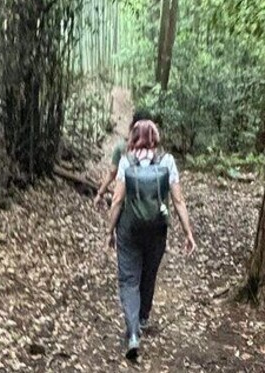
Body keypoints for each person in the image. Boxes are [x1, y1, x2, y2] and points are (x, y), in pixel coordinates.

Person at [106, 120, 196, 360]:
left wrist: (109, 231)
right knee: (149, 274)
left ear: (133, 137)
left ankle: (133, 332)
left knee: (128, 280)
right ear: (155, 138)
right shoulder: (167, 162)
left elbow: (116, 201)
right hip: (157, 230)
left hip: (129, 229)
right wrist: (188, 232)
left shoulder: (126, 161)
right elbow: (178, 201)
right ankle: (143, 317)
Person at [93, 109, 153, 211]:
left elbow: (112, 172)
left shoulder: (122, 147)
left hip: (127, 205)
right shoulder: (156, 152)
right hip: (150, 205)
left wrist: (100, 193)